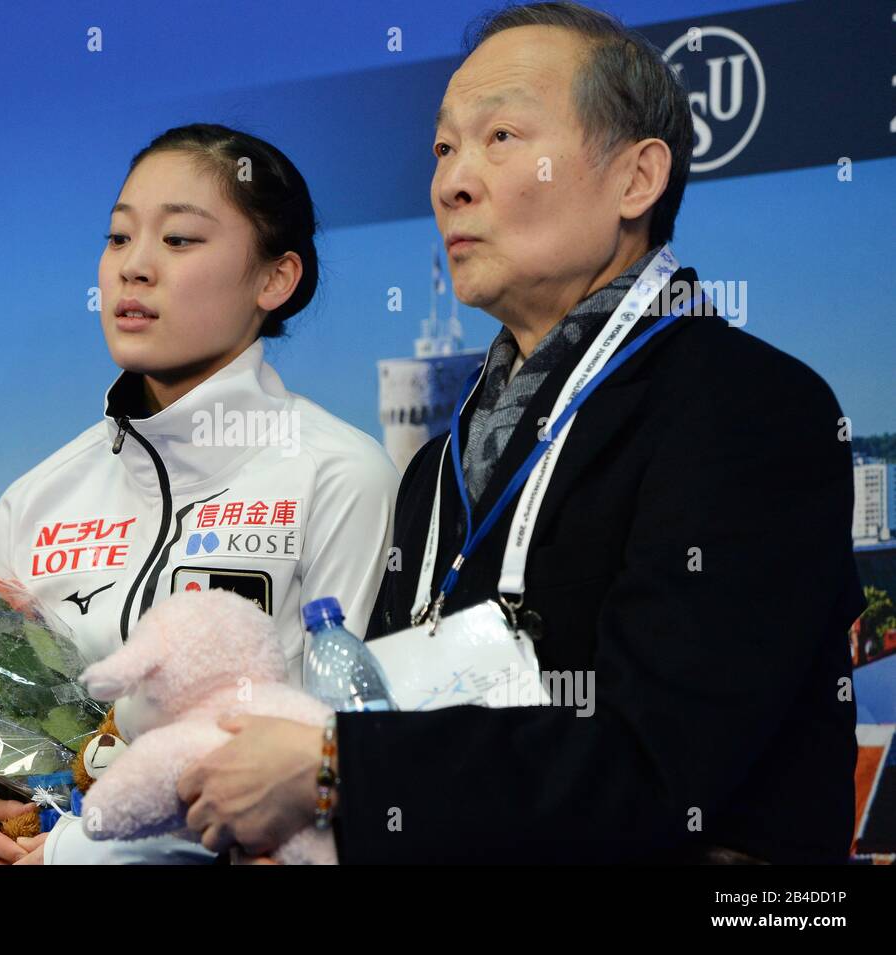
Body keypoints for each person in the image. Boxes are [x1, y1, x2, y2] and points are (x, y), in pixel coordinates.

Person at [176, 2, 864, 864]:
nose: (451, 181)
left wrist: (334, 770)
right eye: (443, 148)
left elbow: (659, 770)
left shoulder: (750, 407)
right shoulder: (436, 469)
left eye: (501, 136)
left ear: (637, 179)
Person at [0, 123, 400, 864]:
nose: (134, 268)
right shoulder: (35, 499)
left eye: (179, 240)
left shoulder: (339, 475)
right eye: (118, 238)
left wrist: (83, 853)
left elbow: (337, 764)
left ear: (276, 279)